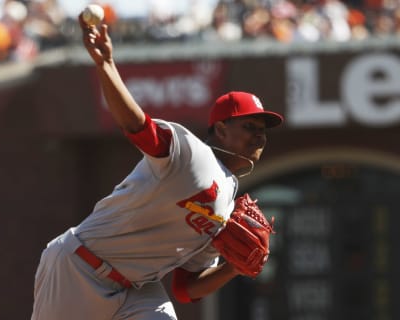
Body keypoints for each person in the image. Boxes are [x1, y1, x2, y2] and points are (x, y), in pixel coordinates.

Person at [30, 12, 284, 320]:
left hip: (139, 288)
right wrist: (106, 65)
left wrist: (232, 269)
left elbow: (185, 288)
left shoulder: (229, 205)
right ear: (221, 129)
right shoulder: (193, 154)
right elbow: (138, 127)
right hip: (79, 268)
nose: (259, 135)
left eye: (263, 130)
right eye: (250, 126)